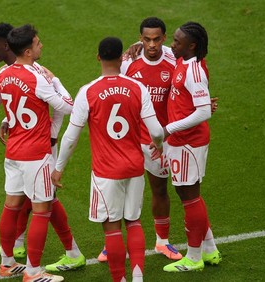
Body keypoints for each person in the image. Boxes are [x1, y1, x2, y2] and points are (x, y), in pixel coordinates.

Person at [51, 37, 164, 282]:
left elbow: (71, 137)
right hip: (135, 167)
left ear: (98, 57)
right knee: (133, 222)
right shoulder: (138, 88)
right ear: (120, 58)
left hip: (106, 172)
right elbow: (156, 130)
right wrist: (159, 146)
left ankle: (118, 279)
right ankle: (137, 277)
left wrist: (58, 168)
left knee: (112, 227)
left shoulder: (88, 91)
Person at [0, 22, 86, 273]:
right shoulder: (39, 77)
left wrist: (9, 117)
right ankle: (33, 271)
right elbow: (70, 107)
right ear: (28, 51)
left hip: (13, 152)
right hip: (38, 152)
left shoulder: (3, 74)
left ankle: (7, 263)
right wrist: (57, 82)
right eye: (38, 43)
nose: (41, 45)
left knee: (12, 206)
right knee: (42, 209)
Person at [97, 17, 182, 263]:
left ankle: (163, 242)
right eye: (146, 39)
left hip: (159, 140)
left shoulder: (173, 60)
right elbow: (110, 88)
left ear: (164, 38)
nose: (152, 44)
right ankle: (111, 243)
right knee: (120, 190)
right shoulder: (128, 61)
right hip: (130, 139)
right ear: (140, 38)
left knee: (159, 189)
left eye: (156, 39)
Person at [160, 22, 222, 272]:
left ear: (191, 46)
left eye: (176, 42)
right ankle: (210, 250)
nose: (171, 45)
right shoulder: (182, 60)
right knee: (188, 196)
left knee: (190, 197)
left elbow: (204, 112)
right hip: (181, 142)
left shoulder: (194, 71)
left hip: (188, 143)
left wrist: (169, 128)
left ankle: (194, 257)